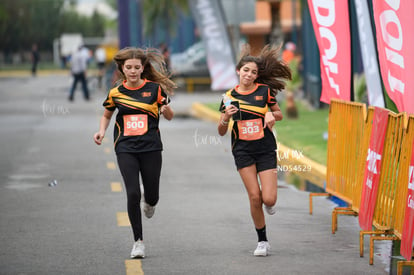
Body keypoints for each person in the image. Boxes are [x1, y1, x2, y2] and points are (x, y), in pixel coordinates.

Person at [93, 47, 176, 259]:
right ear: (122, 68)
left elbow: (170, 115)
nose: (132, 71)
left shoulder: (155, 90)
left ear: (142, 68)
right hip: (125, 147)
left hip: (151, 147)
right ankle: (138, 242)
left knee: (152, 196)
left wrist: (166, 110)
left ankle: (150, 201)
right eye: (128, 67)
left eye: (136, 67)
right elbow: (106, 115)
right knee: (132, 193)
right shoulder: (116, 92)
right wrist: (101, 131)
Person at [218, 44, 291, 257]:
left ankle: (268, 204)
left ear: (257, 76)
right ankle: (262, 241)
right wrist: (225, 117)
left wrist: (271, 115)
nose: (249, 75)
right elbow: (221, 131)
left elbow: (279, 114)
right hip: (242, 150)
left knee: (268, 199)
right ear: (238, 71)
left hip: (265, 148)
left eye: (254, 72)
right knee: (254, 197)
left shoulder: (264, 92)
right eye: (246, 70)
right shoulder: (228, 97)